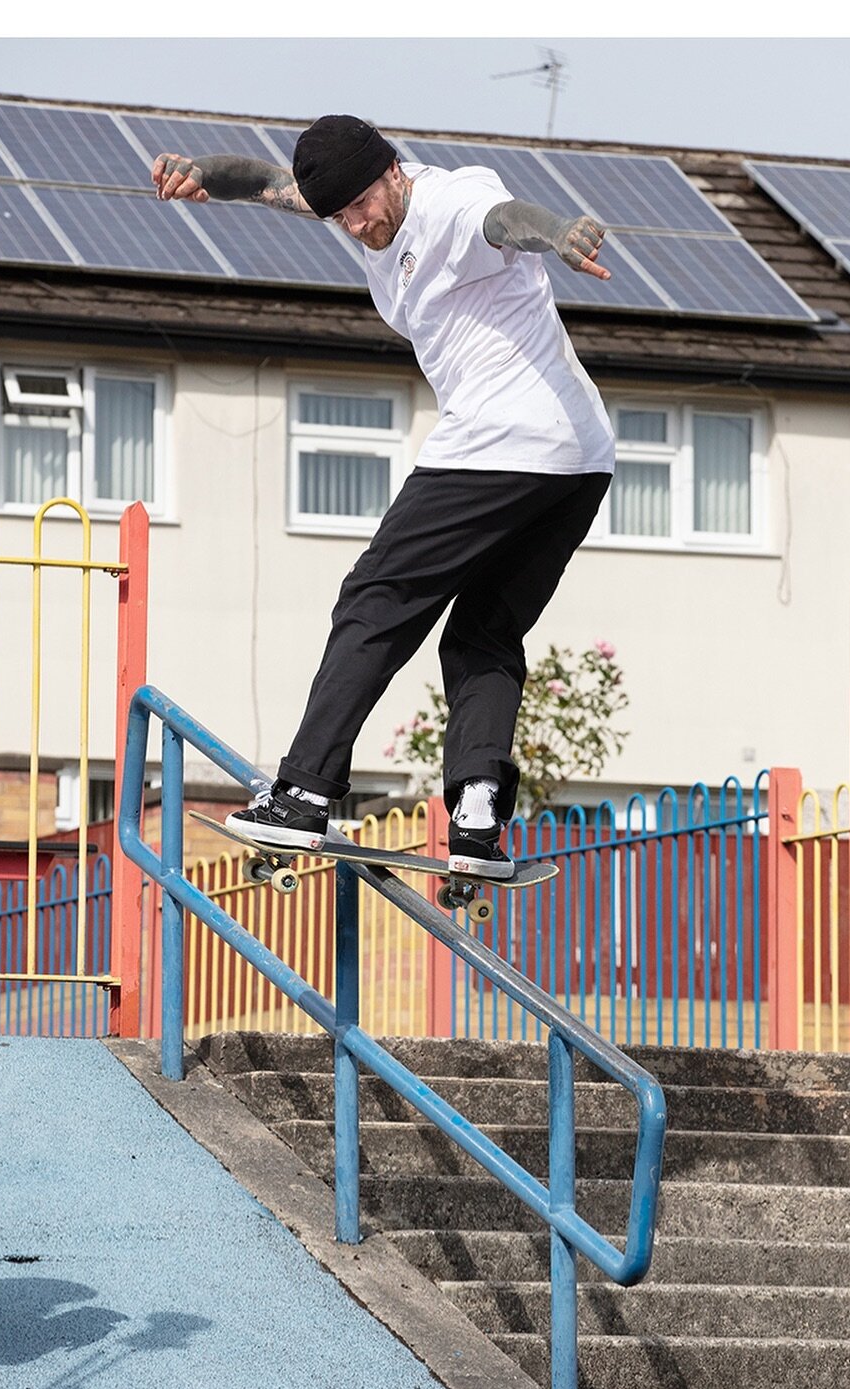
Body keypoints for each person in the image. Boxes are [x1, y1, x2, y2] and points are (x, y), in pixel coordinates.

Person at [152, 114, 616, 878]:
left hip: (500, 442)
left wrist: (559, 231)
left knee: (376, 599)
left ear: (395, 171)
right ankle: (474, 811)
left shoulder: (450, 203)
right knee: (485, 632)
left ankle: (302, 791)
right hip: (578, 459)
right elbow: (267, 183)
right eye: (342, 217)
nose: (359, 226)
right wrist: (204, 172)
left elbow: (506, 220)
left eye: (367, 205)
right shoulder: (351, 205)